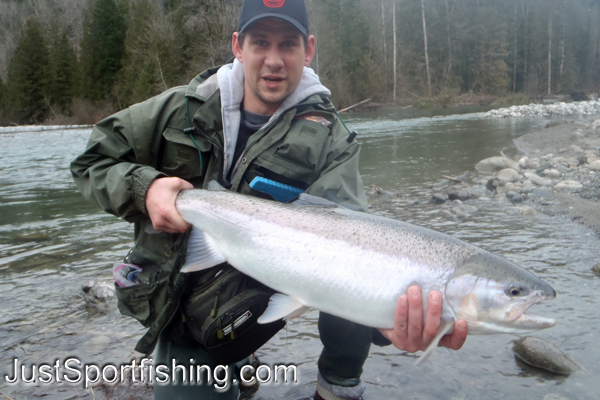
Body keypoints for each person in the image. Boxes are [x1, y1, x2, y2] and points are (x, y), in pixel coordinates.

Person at [70, 1, 468, 399]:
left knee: (357, 252)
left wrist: (386, 322)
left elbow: (355, 248)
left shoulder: (330, 138)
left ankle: (338, 383)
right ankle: (235, 359)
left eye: (288, 45)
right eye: (260, 42)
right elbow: (91, 161)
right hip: (185, 297)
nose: (273, 60)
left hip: (272, 278)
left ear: (308, 49)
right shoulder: (179, 110)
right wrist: (145, 187)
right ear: (237, 47)